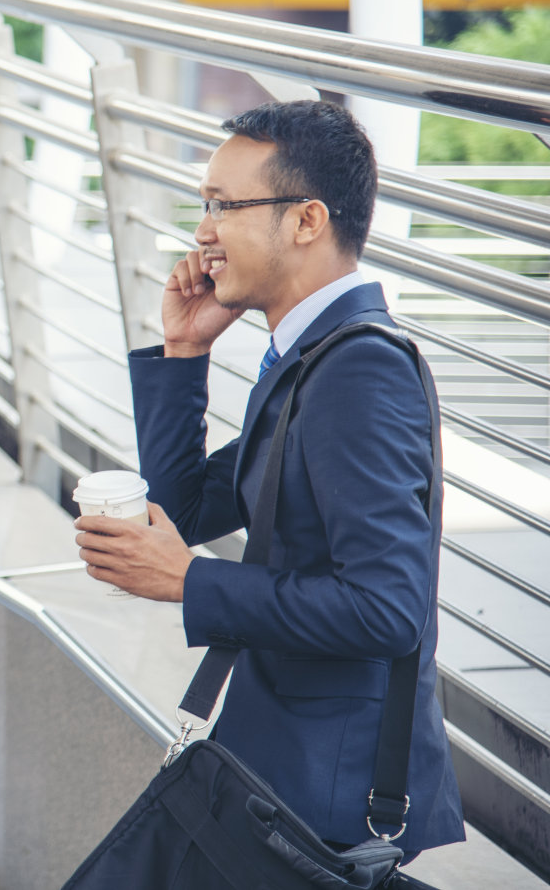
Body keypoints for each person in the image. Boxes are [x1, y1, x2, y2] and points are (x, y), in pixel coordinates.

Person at [72, 100, 464, 854]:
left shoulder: (359, 370)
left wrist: (191, 582)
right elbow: (187, 505)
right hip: (278, 768)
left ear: (306, 220)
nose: (202, 231)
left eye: (225, 205)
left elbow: (388, 609)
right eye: (204, 204)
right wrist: (184, 352)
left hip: (328, 796)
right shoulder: (309, 356)